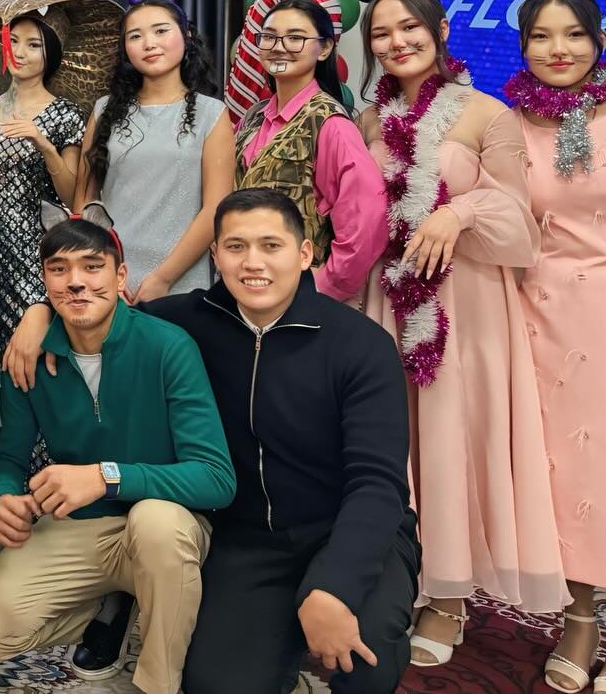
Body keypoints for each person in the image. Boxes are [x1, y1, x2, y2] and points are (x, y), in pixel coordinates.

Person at [354, 0, 566, 666]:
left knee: (450, 437)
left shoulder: (486, 114)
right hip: (389, 296)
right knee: (394, 440)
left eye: (409, 27)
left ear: (441, 31)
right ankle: (402, 578)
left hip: (463, 300)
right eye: (380, 33)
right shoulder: (369, 121)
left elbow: (520, 227)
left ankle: (449, 597)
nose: (396, 42)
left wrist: (459, 211)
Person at [144, 188, 419, 694]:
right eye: (236, 247)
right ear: (215, 255)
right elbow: (99, 316)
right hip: (247, 539)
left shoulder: (360, 345)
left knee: (367, 656)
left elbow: (378, 485)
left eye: (271, 245)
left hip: (346, 527)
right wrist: (38, 318)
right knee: (216, 686)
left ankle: (343, 615)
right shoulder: (185, 323)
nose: (253, 263)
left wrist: (335, 587)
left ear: (305, 252)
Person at [0, 202, 236, 694]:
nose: (76, 283)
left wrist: (106, 476)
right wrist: (3, 497)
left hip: (163, 524)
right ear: (45, 282)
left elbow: (216, 478)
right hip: (81, 528)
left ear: (120, 275)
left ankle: (157, 683)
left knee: (156, 525)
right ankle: (115, 609)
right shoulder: (30, 354)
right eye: (59, 270)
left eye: (92, 267)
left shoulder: (168, 347)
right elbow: (5, 459)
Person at [502, 0, 606, 694]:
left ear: (600, 40)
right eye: (540, 37)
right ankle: (579, 618)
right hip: (542, 320)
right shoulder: (511, 125)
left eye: (573, 35)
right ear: (523, 45)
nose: (558, 50)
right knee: (560, 477)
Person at [0, 0, 118, 351]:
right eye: (13, 40)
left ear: (52, 54)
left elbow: (71, 195)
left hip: (42, 250)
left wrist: (43, 144)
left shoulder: (65, 115)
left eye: (33, 45)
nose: (19, 52)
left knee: (42, 348)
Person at [73, 0, 232, 304]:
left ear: (186, 37)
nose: (149, 43)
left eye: (160, 31)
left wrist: (164, 278)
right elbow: (85, 202)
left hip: (182, 279)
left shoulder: (211, 114)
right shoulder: (104, 110)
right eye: (135, 36)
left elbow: (215, 208)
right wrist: (96, 269)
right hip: (109, 275)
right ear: (125, 49)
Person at [234, 0, 388, 302]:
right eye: (269, 37)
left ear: (325, 48)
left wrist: (326, 285)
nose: (279, 47)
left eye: (295, 38)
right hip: (246, 287)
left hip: (299, 297)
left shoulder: (331, 123)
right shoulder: (253, 118)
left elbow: (368, 215)